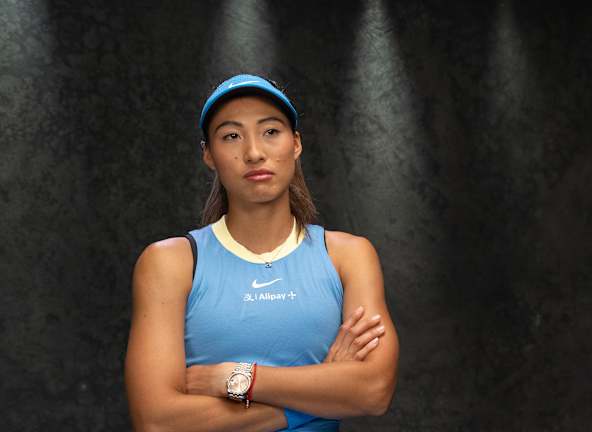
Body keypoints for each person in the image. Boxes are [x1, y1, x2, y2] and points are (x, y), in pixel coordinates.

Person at [124, 74, 399, 431]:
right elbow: (158, 422)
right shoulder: (172, 262)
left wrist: (237, 377)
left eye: (271, 131)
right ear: (208, 154)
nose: (254, 152)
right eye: (231, 136)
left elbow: (374, 390)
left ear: (295, 144)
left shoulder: (348, 256)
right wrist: (322, 396)